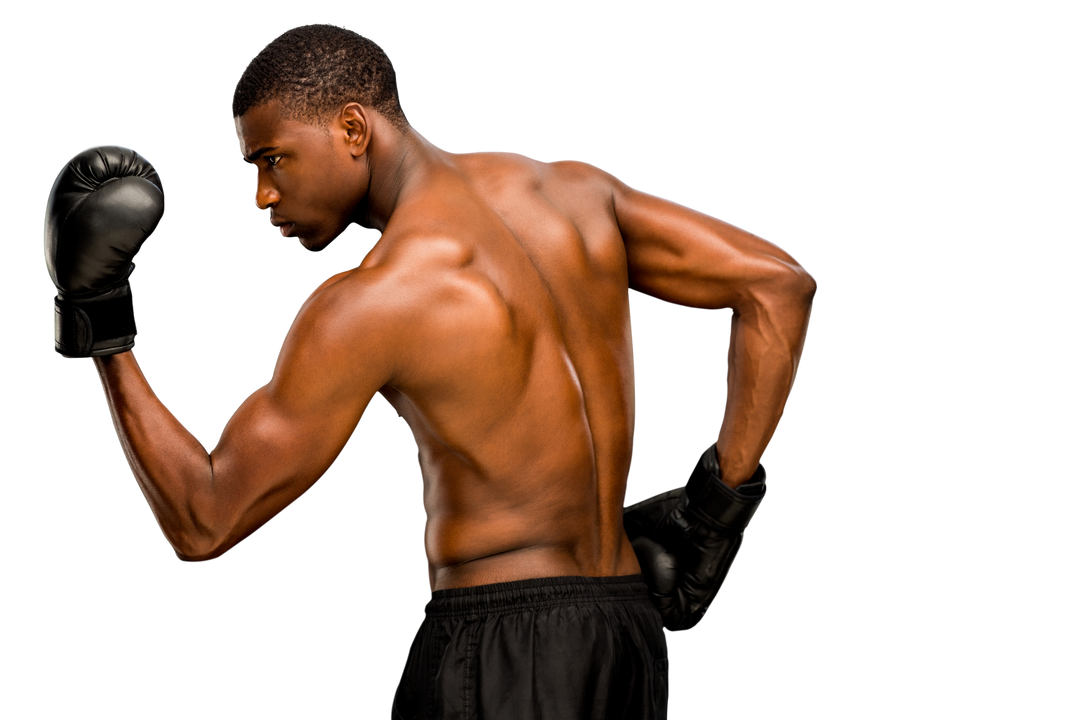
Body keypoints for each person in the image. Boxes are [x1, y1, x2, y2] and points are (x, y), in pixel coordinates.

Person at [41, 21, 818, 719]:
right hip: (629, 632)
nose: (261, 194)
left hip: (503, 653)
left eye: (272, 159)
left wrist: (101, 319)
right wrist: (715, 515)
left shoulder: (374, 301)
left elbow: (204, 518)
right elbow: (778, 285)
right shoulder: (574, 192)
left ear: (352, 128)